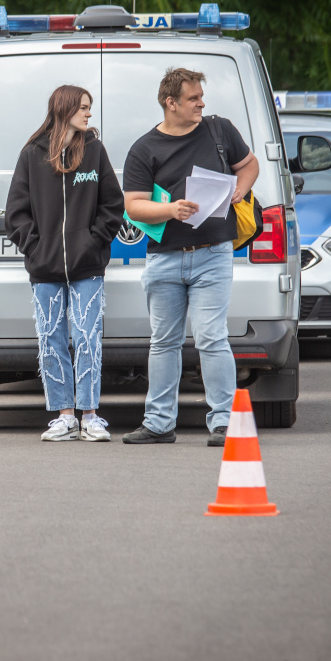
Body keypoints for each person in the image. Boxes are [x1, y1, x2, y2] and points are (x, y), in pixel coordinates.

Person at [120, 68, 259, 446]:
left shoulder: (219, 130)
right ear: (171, 103)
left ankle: (225, 423)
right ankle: (159, 424)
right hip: (164, 258)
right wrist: (170, 210)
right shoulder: (144, 148)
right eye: (193, 98)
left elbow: (248, 164)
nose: (201, 103)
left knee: (212, 338)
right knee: (163, 341)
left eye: (201, 96)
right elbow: (133, 207)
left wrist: (239, 191)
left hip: (213, 254)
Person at [5, 85, 124, 441]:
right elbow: (15, 214)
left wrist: (92, 242)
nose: (89, 114)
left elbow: (113, 206)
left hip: (87, 267)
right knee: (51, 339)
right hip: (45, 270)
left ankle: (91, 415)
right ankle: (64, 416)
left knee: (88, 338)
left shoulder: (94, 151)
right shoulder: (32, 154)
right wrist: (37, 249)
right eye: (84, 108)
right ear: (65, 109)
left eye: (90, 108)